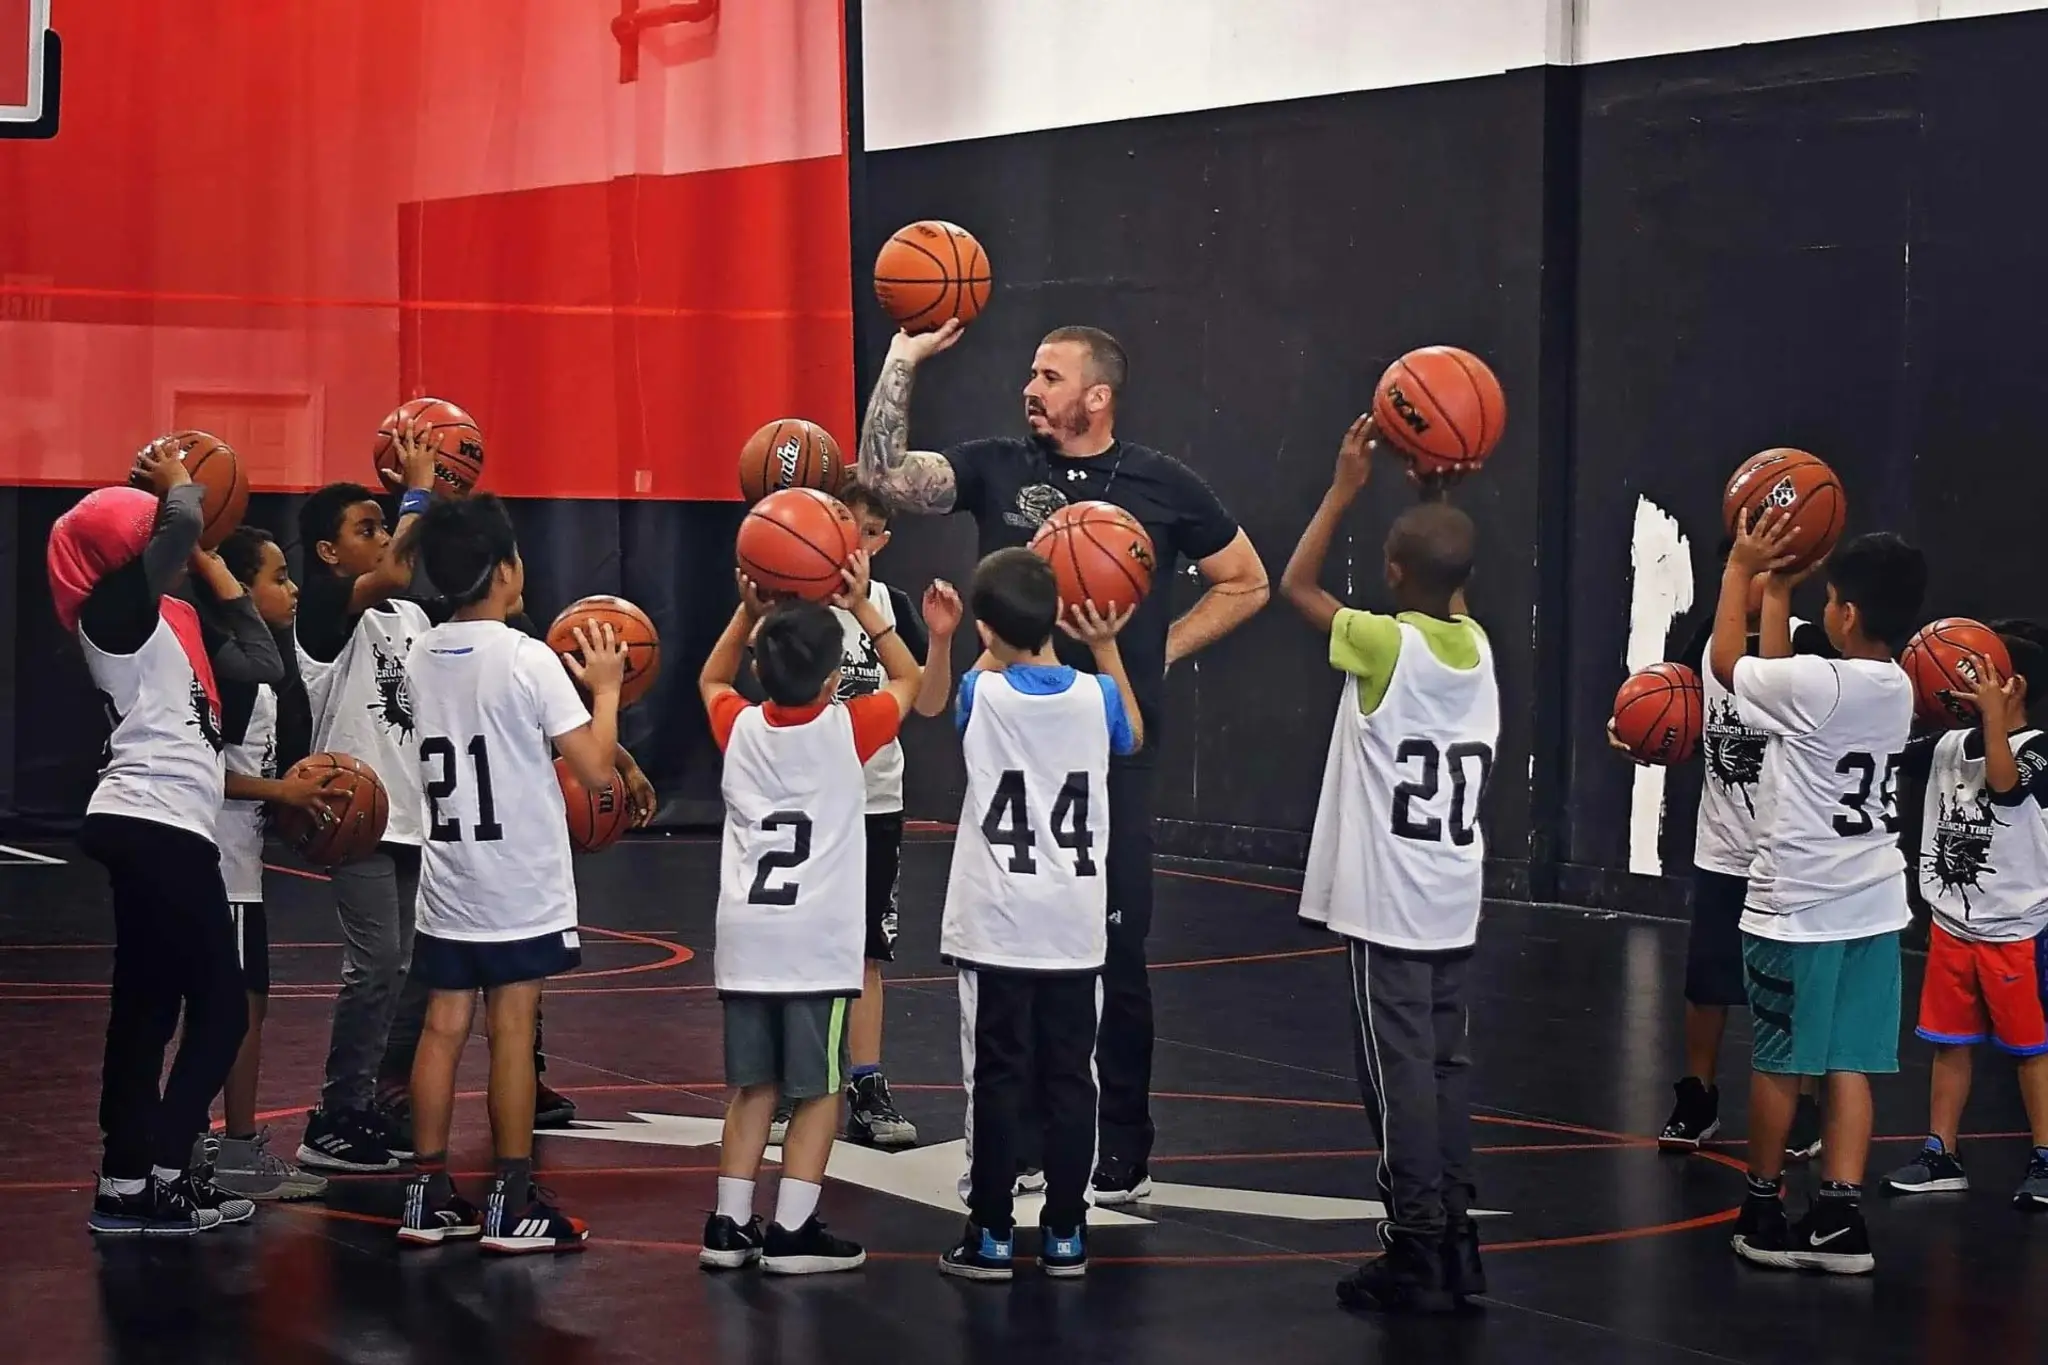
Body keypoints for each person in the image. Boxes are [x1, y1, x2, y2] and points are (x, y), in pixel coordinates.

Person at [856, 318, 1268, 1201]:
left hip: (1111, 758)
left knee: (1115, 954)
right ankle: (1024, 1143)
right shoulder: (999, 465)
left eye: (1049, 375)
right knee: (1010, 965)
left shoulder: (1163, 484)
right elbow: (882, 476)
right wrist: (904, 356)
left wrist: (1155, 653)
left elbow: (1250, 579)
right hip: (1008, 759)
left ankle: (1121, 1147)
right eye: (1031, 373)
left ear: (1098, 395)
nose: (1030, 387)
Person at [1279, 416, 1499, 1313]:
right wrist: (1435, 487)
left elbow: (1294, 583)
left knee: (1396, 1077)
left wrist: (1343, 487)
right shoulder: (1477, 645)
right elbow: (1445, 568)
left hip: (1388, 908)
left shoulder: (1381, 642)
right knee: (1444, 1070)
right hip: (1453, 895)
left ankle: (1414, 1245)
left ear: (1394, 573)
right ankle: (1457, 1237)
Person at [395, 494, 639, 1253]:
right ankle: (511, 1195)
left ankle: (426, 1195)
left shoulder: (420, 652)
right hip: (518, 882)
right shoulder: (529, 656)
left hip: (449, 875)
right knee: (509, 1030)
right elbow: (596, 769)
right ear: (505, 569)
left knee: (441, 1028)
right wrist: (606, 688)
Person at [696, 555, 933, 1276]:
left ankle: (728, 1225)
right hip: (813, 946)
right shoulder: (846, 730)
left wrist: (744, 611)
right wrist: (866, 607)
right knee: (822, 1089)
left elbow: (710, 679)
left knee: (753, 1089)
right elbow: (911, 679)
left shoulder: (737, 727)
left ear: (759, 672)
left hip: (745, 942)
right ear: (834, 681)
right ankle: (793, 1231)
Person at [50, 447, 266, 1235]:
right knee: (221, 1013)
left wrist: (214, 569)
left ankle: (126, 1181)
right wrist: (181, 486)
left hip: (155, 823)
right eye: (151, 539)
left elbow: (263, 659)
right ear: (123, 553)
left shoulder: (174, 618)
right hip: (156, 821)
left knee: (147, 1010)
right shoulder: (112, 612)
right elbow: (175, 524)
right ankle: (172, 1172)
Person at [1711, 516, 1926, 1276]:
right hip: (1872, 906)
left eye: (1827, 599)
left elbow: (1733, 664)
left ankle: (1763, 1210)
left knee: (1777, 1062)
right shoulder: (1895, 687)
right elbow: (1779, 681)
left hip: (1795, 906)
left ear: (1844, 614)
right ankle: (1839, 1218)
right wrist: (1780, 591)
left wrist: (1742, 569)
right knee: (1849, 1063)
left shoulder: (1817, 684)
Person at [938, 549, 1140, 1283]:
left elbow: (967, 688)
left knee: (995, 1078)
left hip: (998, 922)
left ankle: (991, 1230)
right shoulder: (1098, 697)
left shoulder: (979, 693)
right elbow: (1133, 737)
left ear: (986, 629)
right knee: (1069, 1079)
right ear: (1059, 614)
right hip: (1073, 922)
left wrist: (976, 639)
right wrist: (1107, 645)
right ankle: (1065, 1230)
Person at [1616, 542, 1830, 1160]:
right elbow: (1674, 702)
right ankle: (1699, 1095)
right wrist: (1641, 734)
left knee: (1795, 990)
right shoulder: (1713, 637)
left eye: (1760, 573)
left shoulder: (1810, 645)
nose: (1746, 584)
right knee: (1706, 985)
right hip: (1722, 848)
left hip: (1790, 851)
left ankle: (1806, 1101)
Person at [765, 482, 955, 1150]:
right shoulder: (792, 602)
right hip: (805, 803)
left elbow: (928, 704)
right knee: (798, 949)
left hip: (874, 801)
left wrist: (936, 640)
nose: (856, 546)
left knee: (868, 951)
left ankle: (867, 1087)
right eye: (846, 530)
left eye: (869, 534)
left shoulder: (889, 605)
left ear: (881, 541)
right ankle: (794, 1083)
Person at [291, 429, 439, 1173]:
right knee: (376, 962)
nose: (381, 538)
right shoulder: (323, 613)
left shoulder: (409, 619)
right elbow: (394, 567)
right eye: (365, 528)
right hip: (357, 817)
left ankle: (379, 1099)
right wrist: (416, 489)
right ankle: (334, 1112)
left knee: (413, 970)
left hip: (418, 815)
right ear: (327, 551)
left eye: (384, 525)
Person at [188, 527, 332, 1201]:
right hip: (223, 869)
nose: (294, 587)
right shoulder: (241, 677)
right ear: (242, 590)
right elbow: (204, 772)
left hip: (231, 862)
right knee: (240, 1011)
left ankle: (195, 1141)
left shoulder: (254, 671)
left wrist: (289, 806)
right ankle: (234, 1149)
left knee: (230, 1008)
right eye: (280, 576)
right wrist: (284, 793)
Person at [1882, 631, 2048, 1206]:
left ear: (2013, 685)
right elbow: (1886, 750)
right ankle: (1940, 1152)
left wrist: (1996, 718)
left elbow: (2004, 787)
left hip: (2018, 930)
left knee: (2031, 1049)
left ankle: (2045, 1157)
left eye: (1976, 672)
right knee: (1950, 1045)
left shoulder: (2039, 750)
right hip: (1953, 927)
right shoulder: (1948, 745)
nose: (1960, 682)